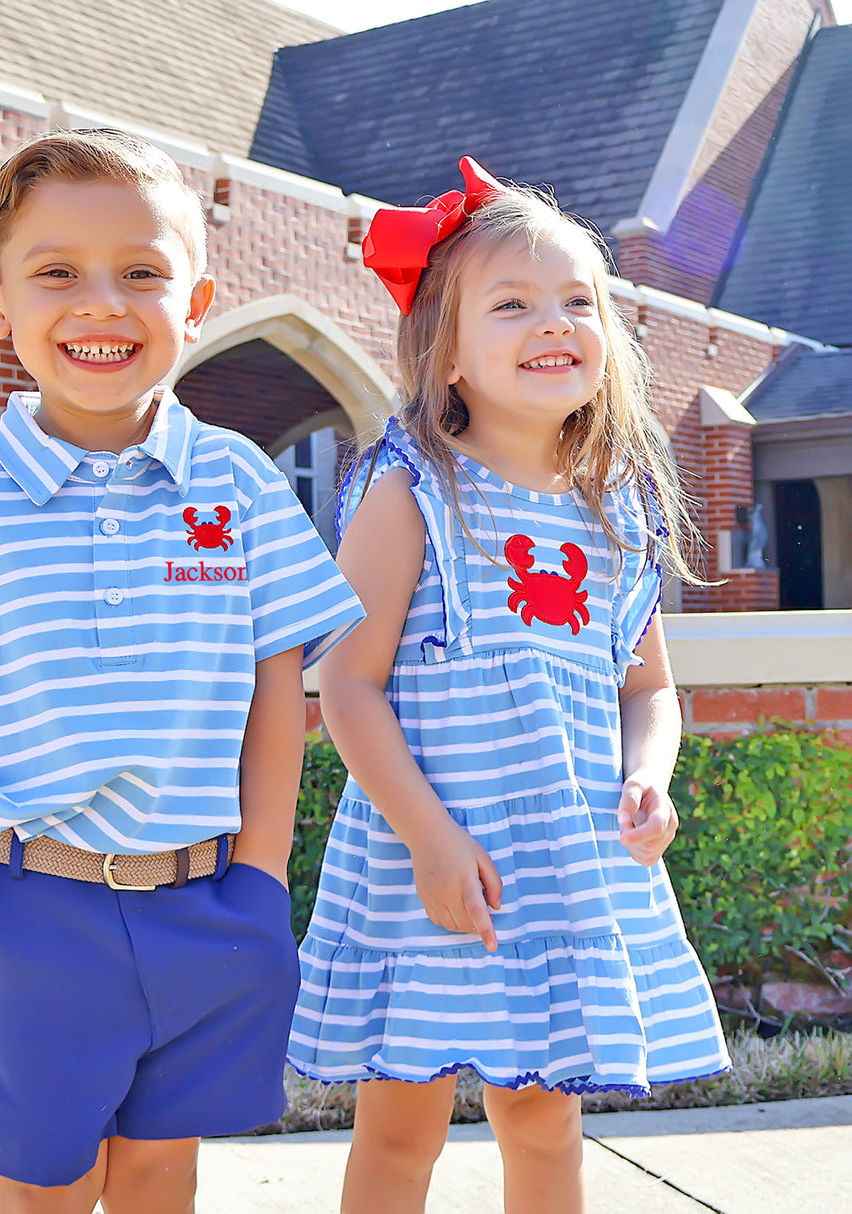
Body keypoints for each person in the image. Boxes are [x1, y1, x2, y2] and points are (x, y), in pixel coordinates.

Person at [0, 128, 364, 1214]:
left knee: (162, 1166)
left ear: (196, 301)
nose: (101, 304)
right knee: (42, 1177)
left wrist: (258, 871)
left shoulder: (240, 484)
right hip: (35, 899)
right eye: (57, 273)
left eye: (142, 273)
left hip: (206, 895)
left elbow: (276, 689)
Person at [287, 157, 729, 1214]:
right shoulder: (411, 494)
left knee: (546, 1129)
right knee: (400, 1129)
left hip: (564, 865)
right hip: (428, 865)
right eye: (513, 302)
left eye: (578, 300)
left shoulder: (616, 511)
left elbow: (647, 689)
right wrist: (433, 839)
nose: (553, 322)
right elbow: (346, 686)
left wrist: (648, 777)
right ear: (444, 351)